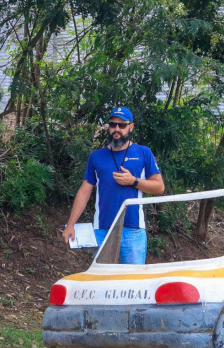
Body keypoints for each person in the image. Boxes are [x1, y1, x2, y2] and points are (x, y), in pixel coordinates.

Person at [62, 107, 165, 264]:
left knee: (133, 280)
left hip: (133, 229)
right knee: (102, 280)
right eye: (112, 124)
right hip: (103, 228)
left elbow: (159, 187)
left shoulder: (143, 153)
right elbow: (84, 191)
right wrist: (70, 224)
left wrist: (134, 181)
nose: (117, 129)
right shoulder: (96, 156)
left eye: (122, 125)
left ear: (131, 127)